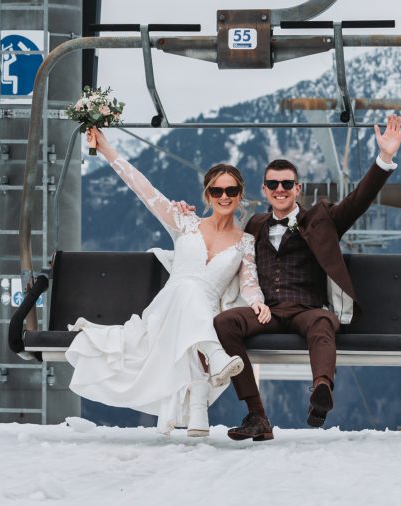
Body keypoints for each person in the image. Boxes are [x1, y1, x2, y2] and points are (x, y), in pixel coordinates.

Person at [210, 113, 401, 441]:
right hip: (268, 312)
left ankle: (321, 392)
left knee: (323, 322)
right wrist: (186, 217)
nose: (280, 189)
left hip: (307, 309)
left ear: (297, 188)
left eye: (287, 184)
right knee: (224, 323)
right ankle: (257, 415)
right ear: (264, 189)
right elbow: (220, 230)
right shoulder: (255, 224)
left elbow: (358, 201)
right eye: (274, 184)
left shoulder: (322, 218)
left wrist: (384, 158)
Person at [66, 127, 271, 438]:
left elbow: (249, 281)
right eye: (217, 191)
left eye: (231, 191)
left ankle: (199, 403)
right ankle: (211, 364)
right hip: (167, 310)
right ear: (208, 195)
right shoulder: (185, 222)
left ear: (240, 194)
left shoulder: (244, 242)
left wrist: (257, 302)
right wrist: (105, 148)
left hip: (203, 313)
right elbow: (143, 189)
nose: (224, 197)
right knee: (186, 288)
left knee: (194, 298)